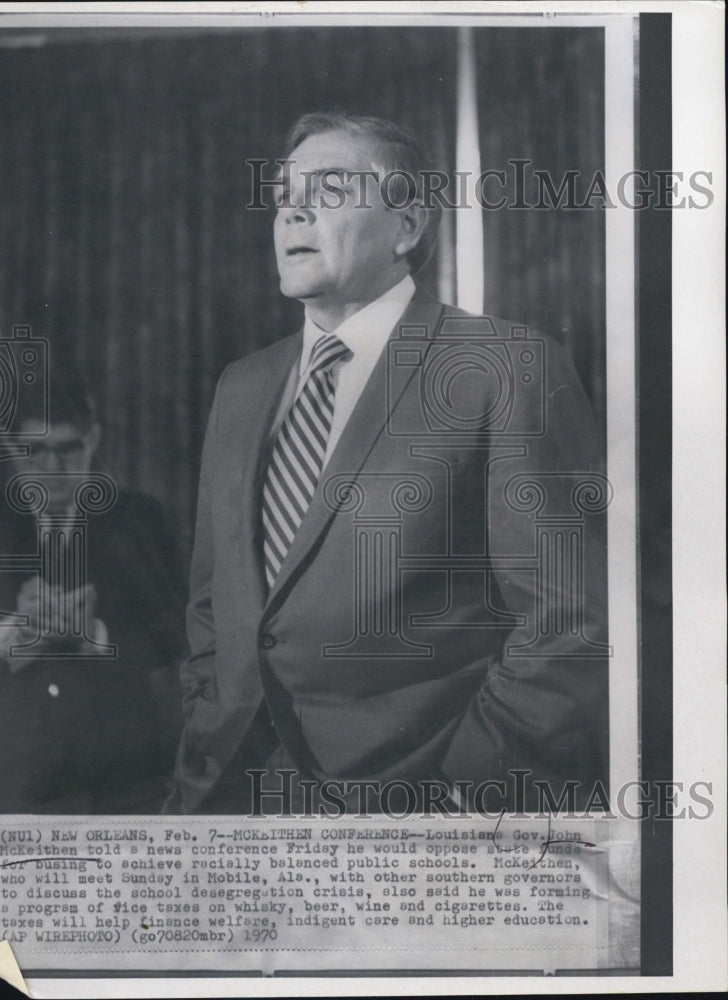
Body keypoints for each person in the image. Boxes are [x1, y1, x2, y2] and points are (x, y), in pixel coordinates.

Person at [165, 112, 608, 816]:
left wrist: (466, 792)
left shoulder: (504, 366)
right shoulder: (242, 385)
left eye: (328, 190)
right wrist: (204, 732)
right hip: (231, 799)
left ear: (406, 225)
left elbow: (568, 621)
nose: (293, 212)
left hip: (419, 811)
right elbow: (212, 606)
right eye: (282, 198)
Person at [0, 372, 186, 813]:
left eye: (68, 449)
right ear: (11, 447)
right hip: (14, 780)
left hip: (123, 781)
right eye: (36, 451)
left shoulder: (141, 522)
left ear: (92, 440)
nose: (52, 469)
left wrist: (96, 634)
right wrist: (10, 633)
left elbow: (179, 636)